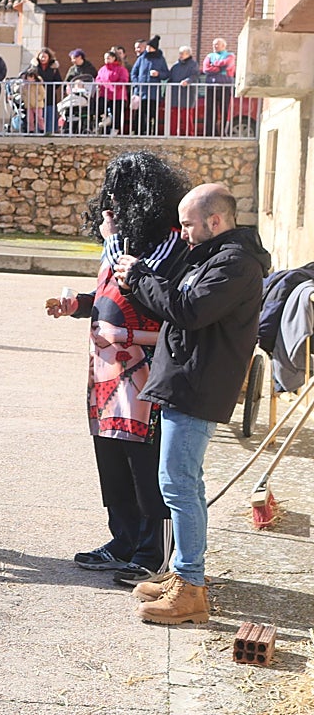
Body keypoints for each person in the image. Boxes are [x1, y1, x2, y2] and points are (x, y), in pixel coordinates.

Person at [113, 184, 269, 624]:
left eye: (188, 225)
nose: (183, 233)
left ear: (214, 222)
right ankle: (185, 572)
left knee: (179, 485)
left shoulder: (235, 263)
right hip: (187, 380)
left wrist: (140, 277)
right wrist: (138, 282)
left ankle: (190, 588)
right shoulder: (212, 256)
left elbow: (188, 310)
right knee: (182, 483)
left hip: (198, 386)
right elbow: (175, 304)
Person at [47, 152, 190, 587]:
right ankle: (124, 540)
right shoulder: (124, 245)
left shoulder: (171, 249)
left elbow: (156, 302)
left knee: (145, 467)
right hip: (107, 377)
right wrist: (78, 305)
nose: (111, 205)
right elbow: (110, 295)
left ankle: (153, 554)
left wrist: (125, 336)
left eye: (120, 195)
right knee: (113, 462)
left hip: (144, 378)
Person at [130, 36, 168, 135]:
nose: (147, 49)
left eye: (149, 47)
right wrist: (136, 84)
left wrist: (158, 74)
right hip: (141, 92)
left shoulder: (160, 59)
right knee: (140, 113)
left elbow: (166, 74)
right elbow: (134, 73)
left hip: (154, 93)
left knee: (152, 114)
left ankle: (152, 132)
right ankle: (138, 132)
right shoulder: (142, 58)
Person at [201, 38, 236, 137]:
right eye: (214, 44)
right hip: (211, 86)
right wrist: (219, 68)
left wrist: (214, 64)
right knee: (210, 110)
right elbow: (206, 69)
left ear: (223, 46)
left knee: (224, 110)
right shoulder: (209, 56)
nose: (215, 46)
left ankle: (223, 133)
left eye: (217, 44)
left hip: (225, 86)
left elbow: (228, 65)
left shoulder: (230, 55)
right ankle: (209, 133)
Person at [94, 50, 130, 134]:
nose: (106, 60)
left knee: (117, 113)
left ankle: (115, 129)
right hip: (104, 93)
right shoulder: (102, 69)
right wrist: (99, 85)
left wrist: (114, 87)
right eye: (105, 58)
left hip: (117, 95)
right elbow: (98, 79)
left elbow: (124, 80)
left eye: (108, 58)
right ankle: (104, 122)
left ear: (114, 58)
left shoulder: (121, 69)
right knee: (100, 108)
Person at [167, 46, 200, 137]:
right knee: (174, 115)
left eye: (183, 53)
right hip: (175, 93)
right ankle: (172, 134)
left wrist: (187, 81)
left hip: (187, 94)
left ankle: (188, 135)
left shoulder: (193, 64)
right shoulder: (176, 65)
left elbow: (195, 75)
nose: (180, 55)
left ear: (188, 54)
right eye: (180, 53)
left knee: (187, 115)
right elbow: (170, 77)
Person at [32, 48, 62, 135]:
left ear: (49, 57)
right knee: (39, 114)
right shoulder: (34, 66)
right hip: (37, 94)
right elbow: (27, 75)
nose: (43, 58)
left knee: (50, 112)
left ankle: (49, 131)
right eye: (41, 56)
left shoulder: (54, 67)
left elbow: (58, 80)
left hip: (50, 94)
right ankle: (39, 131)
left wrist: (50, 87)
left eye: (45, 57)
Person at [20, 67, 45, 133]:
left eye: (32, 77)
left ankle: (42, 129)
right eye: (29, 77)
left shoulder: (38, 85)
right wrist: (25, 100)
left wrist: (37, 99)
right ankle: (31, 130)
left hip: (38, 104)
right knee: (30, 119)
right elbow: (23, 94)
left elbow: (42, 93)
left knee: (39, 117)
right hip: (29, 104)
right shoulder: (25, 86)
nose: (30, 79)